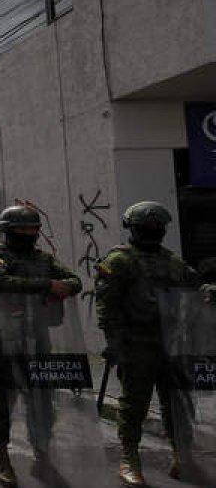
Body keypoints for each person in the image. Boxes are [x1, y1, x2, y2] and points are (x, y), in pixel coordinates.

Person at [95, 201, 208, 486]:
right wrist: (113, 342)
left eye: (156, 228)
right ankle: (129, 457)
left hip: (172, 343)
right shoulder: (119, 260)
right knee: (134, 405)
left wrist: (210, 291)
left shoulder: (172, 261)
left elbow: (194, 287)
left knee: (179, 404)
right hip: (136, 343)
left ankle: (181, 457)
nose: (152, 232)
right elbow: (107, 306)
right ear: (133, 229)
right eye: (147, 227)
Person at [0, 205, 80, 487]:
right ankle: (1, 457)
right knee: (1, 403)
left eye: (33, 231)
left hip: (37, 337)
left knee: (42, 401)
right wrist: (46, 286)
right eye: (22, 232)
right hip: (1, 340)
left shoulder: (42, 258)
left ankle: (42, 457)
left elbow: (74, 281)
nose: (29, 236)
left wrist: (60, 287)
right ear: (8, 232)